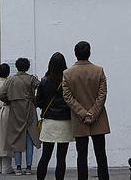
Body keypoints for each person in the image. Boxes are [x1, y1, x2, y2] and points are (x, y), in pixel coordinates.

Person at [62, 42, 110, 180]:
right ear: (89, 53)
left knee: (81, 154)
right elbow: (102, 94)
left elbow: (68, 97)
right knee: (101, 154)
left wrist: (83, 113)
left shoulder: (67, 73)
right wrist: (93, 113)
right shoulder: (99, 70)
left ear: (75, 54)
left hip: (79, 119)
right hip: (98, 118)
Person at [0, 58, 41, 176]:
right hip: (30, 111)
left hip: (16, 111)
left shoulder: (11, 80)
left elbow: (0, 94)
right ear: (27, 67)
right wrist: (35, 100)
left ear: (17, 67)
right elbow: (41, 87)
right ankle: (28, 167)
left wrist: (10, 101)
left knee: (16, 138)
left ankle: (17, 167)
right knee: (29, 139)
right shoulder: (32, 79)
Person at [36, 53, 73, 180]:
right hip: (65, 121)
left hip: (49, 122)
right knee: (61, 158)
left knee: (45, 156)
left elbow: (38, 101)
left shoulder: (44, 81)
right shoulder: (68, 81)